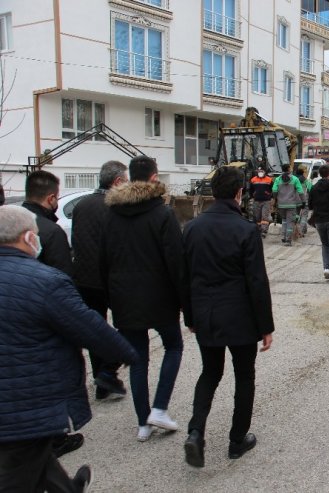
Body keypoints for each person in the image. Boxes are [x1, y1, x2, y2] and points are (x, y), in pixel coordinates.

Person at [0, 205, 138, 493]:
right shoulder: (44, 282)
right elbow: (88, 326)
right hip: (24, 398)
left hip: (16, 401)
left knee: (33, 455)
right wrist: (126, 352)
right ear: (28, 238)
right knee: (19, 469)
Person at [182, 167, 274, 468]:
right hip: (241, 317)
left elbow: (184, 277)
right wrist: (265, 327)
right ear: (239, 193)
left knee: (210, 373)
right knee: (244, 375)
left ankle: (196, 432)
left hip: (206, 314)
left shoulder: (192, 228)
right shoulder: (246, 229)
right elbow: (256, 282)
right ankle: (237, 441)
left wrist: (190, 316)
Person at [101, 155, 191, 442]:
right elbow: (176, 263)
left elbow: (103, 260)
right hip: (160, 297)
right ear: (154, 178)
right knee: (173, 346)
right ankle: (160, 408)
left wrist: (111, 297)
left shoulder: (111, 214)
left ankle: (143, 423)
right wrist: (185, 303)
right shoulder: (162, 214)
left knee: (137, 360)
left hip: (124, 298)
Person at [22, 170, 83, 457]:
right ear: (51, 198)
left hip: (17, 321)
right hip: (45, 324)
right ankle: (55, 437)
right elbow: (63, 283)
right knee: (52, 379)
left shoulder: (13, 226)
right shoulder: (50, 232)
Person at [72, 160, 129, 401]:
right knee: (129, 325)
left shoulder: (81, 206)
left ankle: (101, 382)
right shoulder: (116, 208)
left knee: (95, 328)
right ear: (117, 182)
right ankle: (109, 368)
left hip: (84, 279)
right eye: (125, 181)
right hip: (111, 279)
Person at [22, 170, 73, 276]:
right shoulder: (53, 232)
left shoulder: (8, 223)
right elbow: (63, 275)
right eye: (57, 197)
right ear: (50, 199)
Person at [271, 164, 304, 246]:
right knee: (290, 222)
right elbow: (300, 191)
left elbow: (274, 190)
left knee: (284, 221)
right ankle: (288, 240)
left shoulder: (278, 179)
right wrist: (303, 201)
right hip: (291, 205)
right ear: (289, 169)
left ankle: (284, 236)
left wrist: (276, 199)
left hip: (281, 204)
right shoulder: (295, 179)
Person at [249, 167, 273, 238]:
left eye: (262, 171)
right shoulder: (253, 180)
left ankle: (264, 231)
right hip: (256, 201)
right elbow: (251, 190)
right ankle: (258, 230)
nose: (260, 172)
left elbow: (273, 189)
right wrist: (252, 196)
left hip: (266, 201)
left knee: (264, 216)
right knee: (257, 216)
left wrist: (270, 197)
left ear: (265, 171)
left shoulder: (269, 180)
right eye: (259, 171)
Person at [294, 167, 312, 236]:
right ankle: (301, 231)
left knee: (296, 215)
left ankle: (298, 230)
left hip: (296, 202)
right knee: (304, 217)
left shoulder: (294, 181)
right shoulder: (307, 182)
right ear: (303, 173)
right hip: (305, 201)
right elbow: (311, 191)